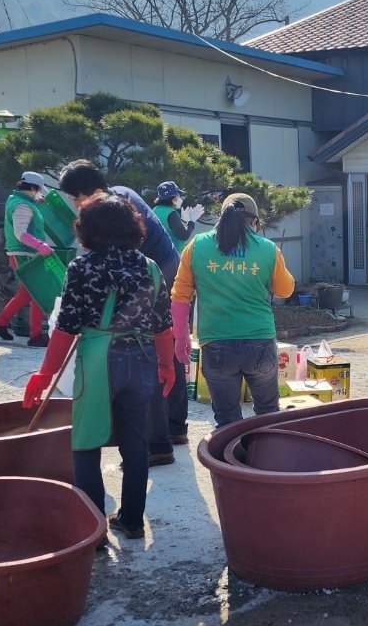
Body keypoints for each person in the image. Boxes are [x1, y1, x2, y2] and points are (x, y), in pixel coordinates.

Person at [23, 193, 176, 541]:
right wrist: (167, 365)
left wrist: (46, 373)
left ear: (87, 229)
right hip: (142, 360)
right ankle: (132, 520)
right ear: (132, 227)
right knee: (136, 443)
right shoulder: (149, 267)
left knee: (86, 441)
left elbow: (65, 328)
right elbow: (163, 327)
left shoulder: (83, 268)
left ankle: (93, 532)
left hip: (98, 362)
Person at [60, 160, 186, 461]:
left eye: (77, 198)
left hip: (155, 275)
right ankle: (174, 428)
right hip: (165, 270)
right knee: (163, 348)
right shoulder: (121, 193)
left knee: (145, 353)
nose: (77, 206)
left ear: (90, 191)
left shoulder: (113, 207)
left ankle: (157, 444)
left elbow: (117, 261)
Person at [171, 193, 295, 427]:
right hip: (260, 341)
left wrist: (181, 337)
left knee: (227, 419)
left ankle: (230, 452)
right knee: (268, 414)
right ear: (254, 222)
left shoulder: (196, 246)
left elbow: (180, 296)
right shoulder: (267, 249)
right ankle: (266, 451)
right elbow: (285, 290)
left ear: (221, 218)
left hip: (215, 343)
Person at [0, 171, 55, 348]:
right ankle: (35, 335)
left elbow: (22, 218)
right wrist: (39, 245)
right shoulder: (23, 206)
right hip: (25, 255)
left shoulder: (17, 200)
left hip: (20, 255)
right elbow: (20, 232)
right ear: (33, 188)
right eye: (38, 190)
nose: (39, 193)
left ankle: (1, 323)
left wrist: (35, 203)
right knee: (36, 293)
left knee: (27, 294)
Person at [151, 180, 201, 251]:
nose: (180, 198)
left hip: (158, 251)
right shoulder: (171, 213)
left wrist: (184, 220)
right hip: (171, 253)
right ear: (173, 199)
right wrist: (192, 221)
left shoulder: (155, 209)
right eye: (178, 196)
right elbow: (184, 236)